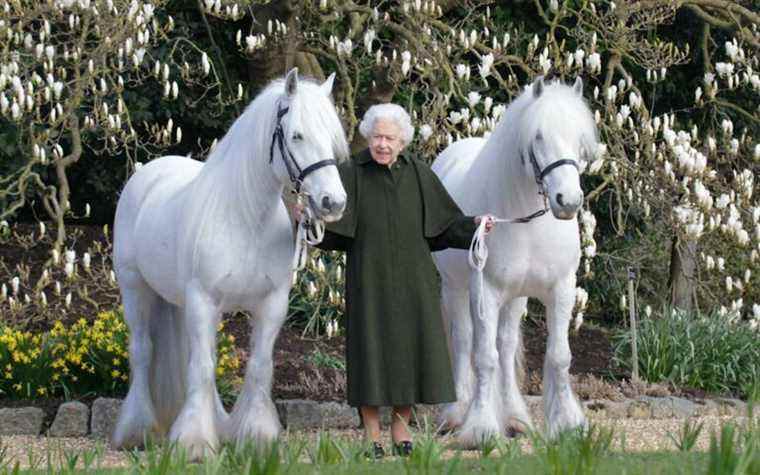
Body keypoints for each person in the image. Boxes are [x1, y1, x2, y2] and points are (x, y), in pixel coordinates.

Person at [302, 103, 493, 458]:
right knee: (369, 355)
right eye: (376, 137)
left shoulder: (419, 174)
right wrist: (309, 222)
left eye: (389, 138)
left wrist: (476, 226)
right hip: (368, 281)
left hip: (414, 282)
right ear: (367, 137)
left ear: (402, 141)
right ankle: (372, 437)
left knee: (410, 354)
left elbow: (444, 227)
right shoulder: (351, 173)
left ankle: (401, 431)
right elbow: (335, 233)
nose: (382, 144)